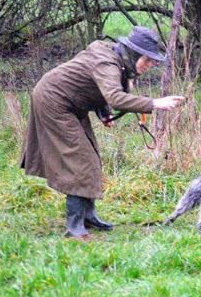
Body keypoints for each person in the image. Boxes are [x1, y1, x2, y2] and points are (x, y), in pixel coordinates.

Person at [20, 26, 184, 238]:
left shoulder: (115, 58)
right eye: (147, 59)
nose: (151, 64)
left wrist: (103, 111)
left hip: (71, 103)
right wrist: (155, 103)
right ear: (133, 53)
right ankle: (74, 226)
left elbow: (93, 86)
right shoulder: (107, 63)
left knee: (91, 155)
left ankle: (89, 216)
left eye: (153, 61)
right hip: (54, 102)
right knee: (80, 160)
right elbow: (115, 97)